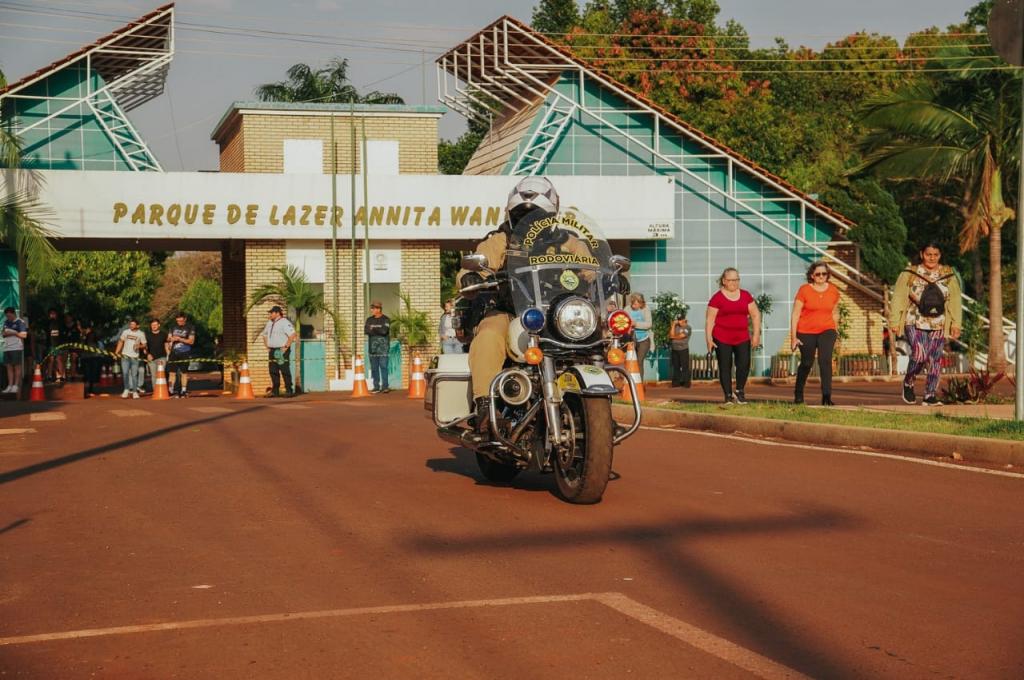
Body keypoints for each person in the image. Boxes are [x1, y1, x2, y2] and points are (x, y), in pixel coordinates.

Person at [456, 176, 567, 435]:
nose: (529, 221)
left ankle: (597, 401)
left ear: (551, 215)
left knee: (592, 337)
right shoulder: (500, 240)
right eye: (522, 215)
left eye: (537, 216)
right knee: (489, 335)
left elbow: (591, 264)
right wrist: (470, 276)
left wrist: (609, 276)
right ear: (511, 214)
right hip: (509, 311)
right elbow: (478, 263)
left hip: (555, 315)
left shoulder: (565, 241)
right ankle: (485, 407)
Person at [890, 241, 962, 406]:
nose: (932, 258)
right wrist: (894, 321)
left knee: (935, 359)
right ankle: (908, 382)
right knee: (920, 354)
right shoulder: (909, 273)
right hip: (914, 320)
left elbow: (955, 300)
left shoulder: (948, 274)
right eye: (929, 254)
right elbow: (898, 297)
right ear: (922, 254)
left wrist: (956, 324)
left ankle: (930, 395)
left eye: (936, 255)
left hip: (939, 322)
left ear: (940, 255)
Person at [706, 268, 760, 405]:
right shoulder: (717, 298)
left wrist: (756, 335)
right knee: (725, 366)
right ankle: (728, 396)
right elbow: (710, 320)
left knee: (744, 364)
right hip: (722, 337)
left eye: (736, 279)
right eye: (731, 280)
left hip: (742, 337)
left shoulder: (746, 295)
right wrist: (709, 339)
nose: (734, 282)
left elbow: (755, 315)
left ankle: (739, 391)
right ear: (724, 281)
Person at [791, 261, 841, 406]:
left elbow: (835, 312)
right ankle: (798, 394)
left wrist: (836, 330)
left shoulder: (833, 290)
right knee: (807, 362)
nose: (821, 276)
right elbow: (795, 314)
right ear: (812, 275)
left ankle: (826, 396)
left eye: (824, 274)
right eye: (818, 274)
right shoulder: (804, 290)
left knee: (825, 360)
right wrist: (793, 337)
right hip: (806, 331)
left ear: (827, 275)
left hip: (827, 329)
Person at [260, 305, 296, 397]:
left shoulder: (284, 322)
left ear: (277, 313)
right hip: (272, 350)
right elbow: (264, 335)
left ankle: (289, 390)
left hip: (281, 350)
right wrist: (267, 347)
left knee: (284, 370)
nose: (270, 314)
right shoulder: (269, 323)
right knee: (273, 370)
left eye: (271, 313)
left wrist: (286, 347)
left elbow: (292, 334)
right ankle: (275, 391)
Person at [115, 318, 147, 399]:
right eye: (130, 324)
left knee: (134, 374)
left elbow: (144, 345)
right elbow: (120, 342)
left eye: (133, 324)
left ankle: (135, 391)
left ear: (138, 326)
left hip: (135, 357)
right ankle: (126, 389)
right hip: (125, 356)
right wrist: (116, 352)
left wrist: (139, 346)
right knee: (125, 373)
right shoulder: (126, 332)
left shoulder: (141, 334)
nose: (131, 326)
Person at [364, 301, 391, 393]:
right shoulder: (369, 320)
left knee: (383, 367)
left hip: (383, 348)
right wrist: (378, 329)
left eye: (373, 308)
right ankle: (376, 387)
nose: (371, 310)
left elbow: (384, 331)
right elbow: (366, 331)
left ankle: (385, 386)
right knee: (374, 368)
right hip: (372, 349)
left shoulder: (386, 319)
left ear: (379, 309)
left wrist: (373, 329)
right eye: (371, 308)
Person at [167, 312, 196, 398]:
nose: (179, 322)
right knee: (172, 372)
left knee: (184, 372)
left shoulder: (190, 327)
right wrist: (171, 339)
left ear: (185, 319)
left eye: (181, 321)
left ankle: (183, 390)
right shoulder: (172, 326)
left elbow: (191, 341)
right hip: (173, 352)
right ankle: (171, 390)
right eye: (178, 321)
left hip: (185, 352)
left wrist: (180, 339)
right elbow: (168, 338)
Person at [3, 307, 28, 397]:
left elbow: (24, 335)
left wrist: (14, 333)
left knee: (17, 366)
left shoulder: (20, 322)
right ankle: (10, 385)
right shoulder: (6, 322)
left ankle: (16, 385)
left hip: (16, 347)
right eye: (7, 316)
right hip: (7, 348)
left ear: (14, 314)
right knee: (8, 367)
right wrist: (6, 333)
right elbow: (3, 333)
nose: (8, 318)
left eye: (9, 316)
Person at [627, 293, 653, 382]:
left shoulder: (646, 309)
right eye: (633, 304)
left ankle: (639, 384)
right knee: (630, 361)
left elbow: (649, 324)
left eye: (637, 304)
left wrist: (636, 324)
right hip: (632, 340)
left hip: (644, 340)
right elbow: (623, 320)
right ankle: (631, 383)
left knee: (639, 361)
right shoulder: (627, 309)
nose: (634, 306)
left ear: (641, 303)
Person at [143, 318, 168, 394]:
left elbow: (166, 345)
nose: (154, 326)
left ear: (159, 325)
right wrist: (147, 354)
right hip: (151, 358)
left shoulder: (164, 334)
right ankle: (156, 391)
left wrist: (168, 355)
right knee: (154, 375)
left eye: (155, 325)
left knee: (161, 374)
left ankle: (163, 390)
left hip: (162, 357)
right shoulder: (147, 335)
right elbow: (145, 347)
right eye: (152, 325)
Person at [669, 313, 692, 388]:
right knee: (676, 367)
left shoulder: (688, 327)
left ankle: (686, 383)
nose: (680, 321)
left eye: (681, 320)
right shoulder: (676, 327)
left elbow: (682, 336)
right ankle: (676, 383)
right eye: (679, 320)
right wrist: (673, 325)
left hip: (683, 349)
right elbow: (670, 335)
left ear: (684, 319)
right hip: (674, 349)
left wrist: (673, 337)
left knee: (685, 367)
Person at [44, 308, 64, 382]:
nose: (52, 315)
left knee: (59, 359)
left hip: (59, 344)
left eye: (54, 313)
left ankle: (61, 375)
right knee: (51, 360)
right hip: (50, 344)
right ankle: (49, 375)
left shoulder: (60, 323)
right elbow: (46, 333)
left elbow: (62, 334)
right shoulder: (47, 323)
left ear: (56, 315)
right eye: (51, 314)